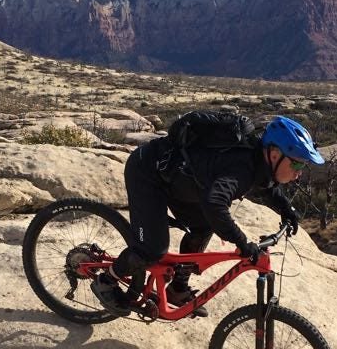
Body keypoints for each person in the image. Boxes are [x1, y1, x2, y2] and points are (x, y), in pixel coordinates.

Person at [91, 113, 324, 317]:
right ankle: (107, 281)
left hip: (179, 183)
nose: (299, 174)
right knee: (152, 250)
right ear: (274, 154)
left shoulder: (258, 159)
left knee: (202, 228)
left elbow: (268, 184)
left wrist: (285, 208)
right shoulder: (242, 168)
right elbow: (215, 204)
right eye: (298, 165)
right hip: (148, 173)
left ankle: (177, 288)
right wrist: (242, 242)